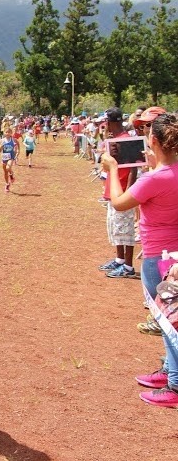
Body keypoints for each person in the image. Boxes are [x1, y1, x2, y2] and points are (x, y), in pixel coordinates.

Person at [101, 112, 178, 407]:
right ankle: (170, 370)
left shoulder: (154, 179)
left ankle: (175, 385)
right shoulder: (165, 174)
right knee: (171, 319)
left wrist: (112, 169)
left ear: (153, 141)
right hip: (172, 255)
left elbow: (120, 203)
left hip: (158, 258)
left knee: (168, 323)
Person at [99, 108, 139, 280]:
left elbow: (133, 168)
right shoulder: (114, 139)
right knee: (116, 227)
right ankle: (120, 259)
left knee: (125, 229)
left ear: (110, 122)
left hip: (122, 191)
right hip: (114, 190)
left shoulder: (126, 139)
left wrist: (128, 191)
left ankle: (128, 266)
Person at [0, 128, 18, 192]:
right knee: (5, 172)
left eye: (9, 132)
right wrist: (2, 145)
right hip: (4, 158)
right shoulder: (2, 140)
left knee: (8, 167)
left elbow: (16, 148)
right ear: (4, 133)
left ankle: (11, 175)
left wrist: (15, 152)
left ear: (11, 133)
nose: (7, 133)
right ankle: (7, 184)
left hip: (10, 157)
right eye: (6, 132)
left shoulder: (13, 140)